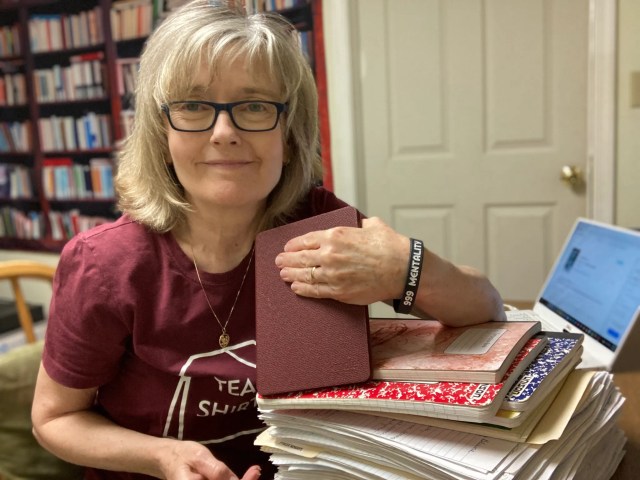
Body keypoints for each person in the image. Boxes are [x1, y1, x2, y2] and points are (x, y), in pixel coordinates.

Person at [31, 1, 506, 479]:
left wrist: (405, 267)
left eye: (255, 106)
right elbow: (55, 419)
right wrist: (163, 457)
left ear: (289, 132)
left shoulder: (319, 224)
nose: (224, 133)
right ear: (161, 134)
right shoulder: (104, 264)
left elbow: (485, 307)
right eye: (193, 105)